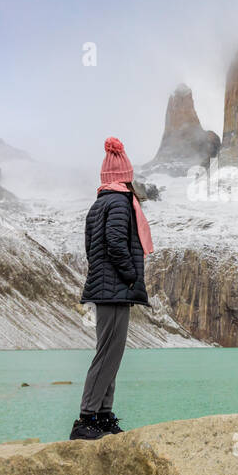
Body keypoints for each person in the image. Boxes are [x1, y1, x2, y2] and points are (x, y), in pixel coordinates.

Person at [72, 137, 153, 440]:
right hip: (114, 289)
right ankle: (86, 418)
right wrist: (130, 275)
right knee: (108, 354)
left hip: (106, 288)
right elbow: (116, 243)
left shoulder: (100, 202)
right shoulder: (120, 202)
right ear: (125, 176)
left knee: (111, 353)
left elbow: (93, 248)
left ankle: (103, 416)